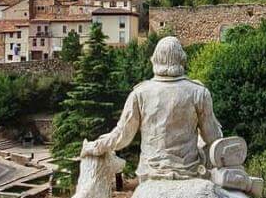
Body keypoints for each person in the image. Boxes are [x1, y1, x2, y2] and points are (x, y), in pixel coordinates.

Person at [83, 36, 222, 181]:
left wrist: (96, 146)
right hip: (189, 171)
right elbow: (214, 138)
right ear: (182, 59)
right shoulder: (199, 92)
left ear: (155, 59)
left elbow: (121, 137)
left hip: (149, 172)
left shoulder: (140, 93)